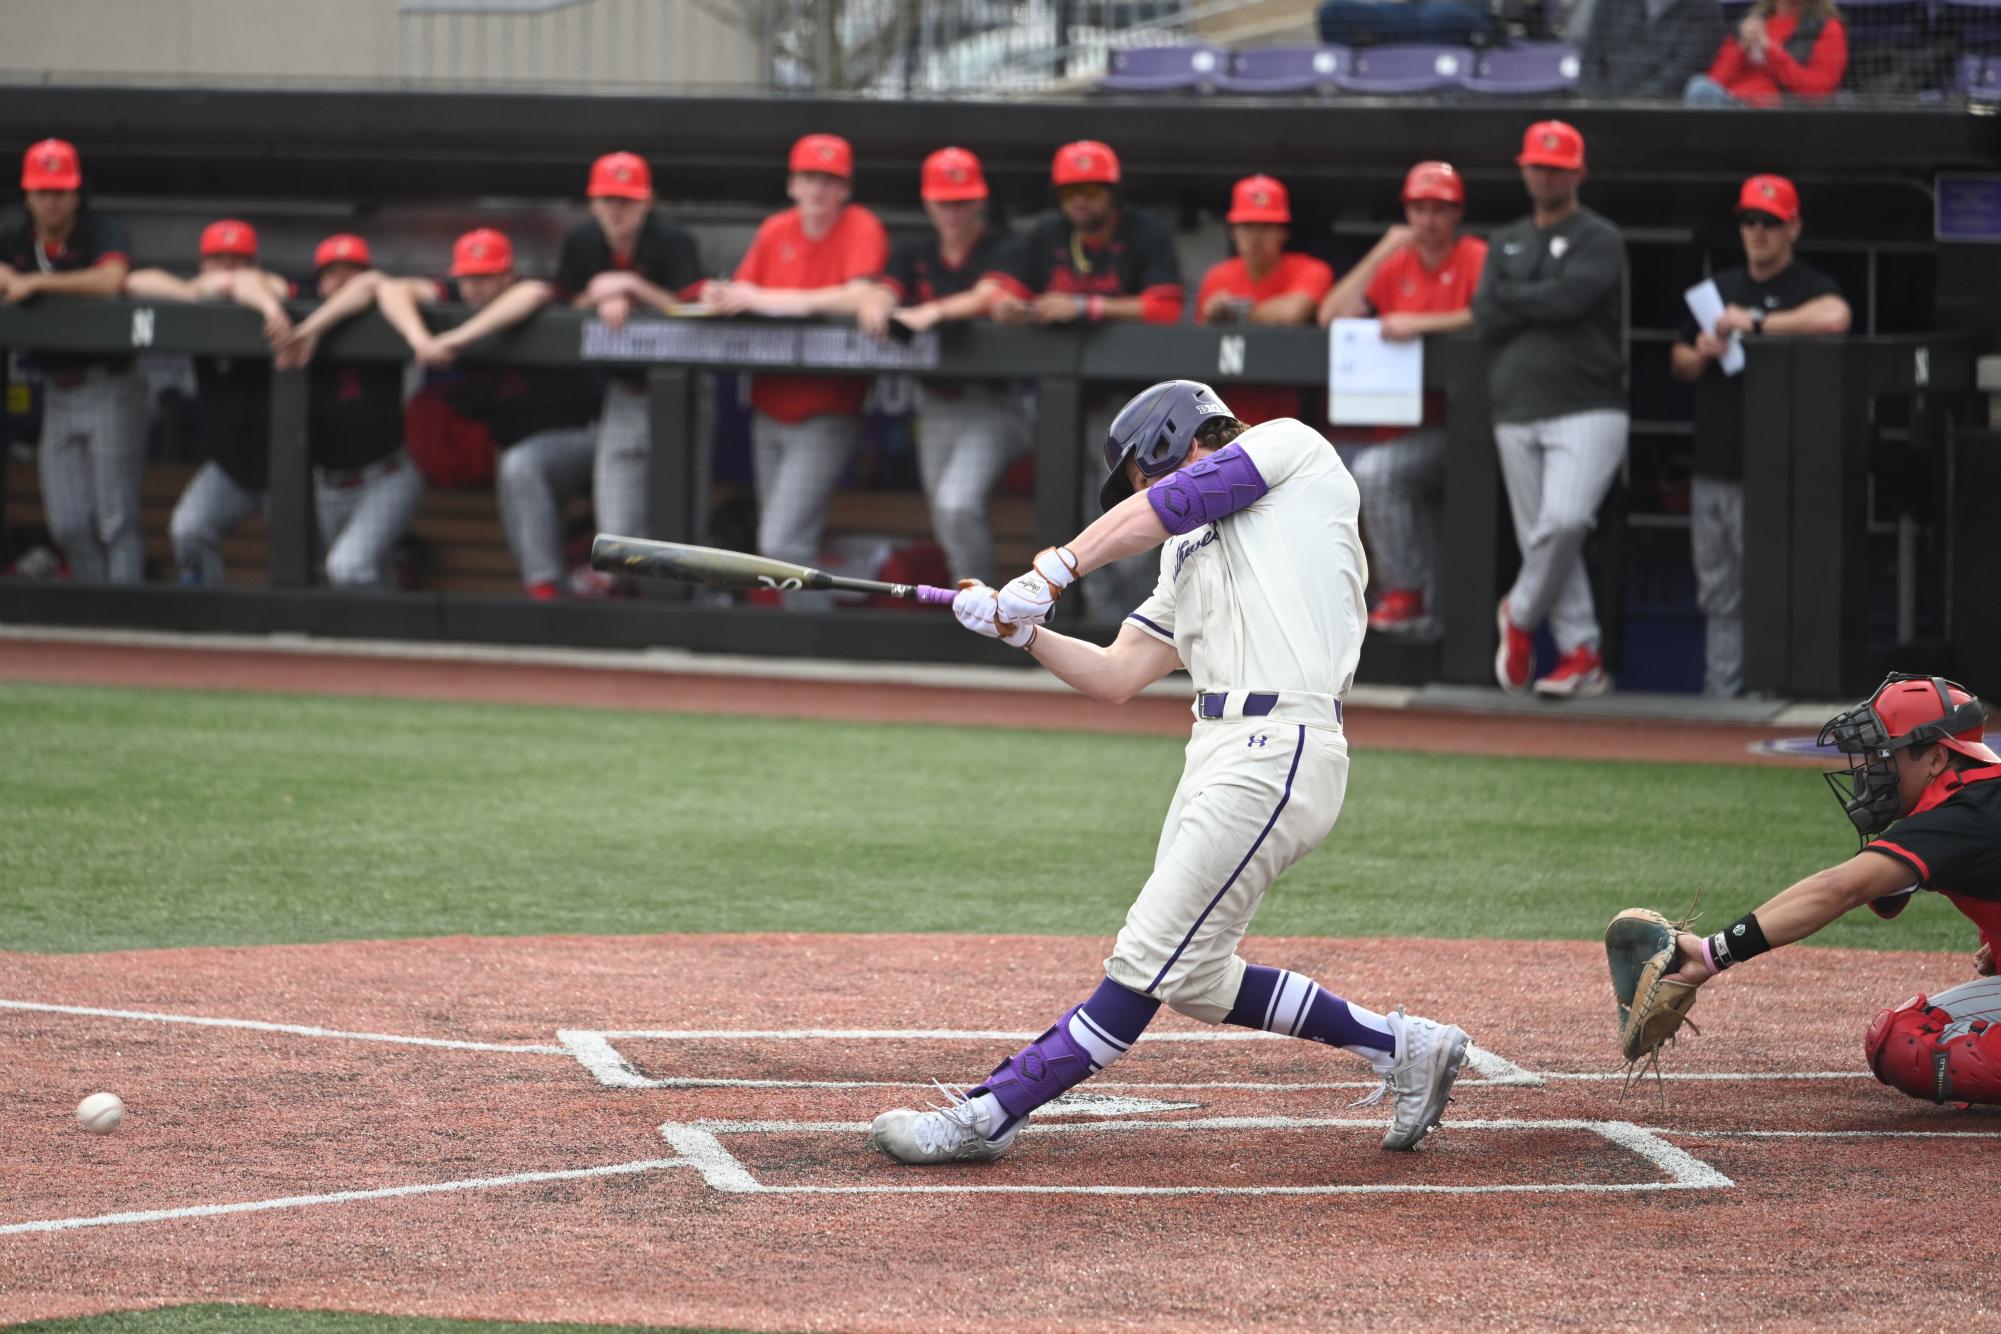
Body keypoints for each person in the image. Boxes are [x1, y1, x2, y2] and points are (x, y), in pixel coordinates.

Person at [867, 379, 1472, 1165]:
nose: (1142, 494)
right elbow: (1117, 673)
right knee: (1192, 974)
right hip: (1215, 747)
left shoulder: (1287, 450)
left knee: (1146, 955)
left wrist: (1052, 570)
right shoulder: (1184, 551)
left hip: (1280, 743)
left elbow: (1168, 505)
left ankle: (990, 1111)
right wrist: (1019, 633)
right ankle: (1403, 1048)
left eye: (1140, 475)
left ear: (1178, 440)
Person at [1664, 674, 2001, 1108]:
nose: (1869, 770)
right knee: (1910, 1028)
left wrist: (1713, 953)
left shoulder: (1967, 813)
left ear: (1936, 757)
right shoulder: (1978, 799)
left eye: (1885, 756)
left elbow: (1838, 888)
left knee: (1908, 1047)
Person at [980, 140, 1184, 625]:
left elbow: (1166, 308)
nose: (1081, 200)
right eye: (1072, 190)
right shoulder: (1048, 234)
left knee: (1132, 522)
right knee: (1076, 520)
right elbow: (1007, 285)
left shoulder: (1145, 232)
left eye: (1092, 189)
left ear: (1112, 192)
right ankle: (1100, 626)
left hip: (1141, 414)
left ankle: (1143, 627)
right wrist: (1007, 302)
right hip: (1066, 411)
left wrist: (1086, 308)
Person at [1670, 174, 1850, 698]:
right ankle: (1721, 694)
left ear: (1792, 227)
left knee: (1765, 588)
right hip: (1714, 462)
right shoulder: (1720, 287)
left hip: (1772, 468)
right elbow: (1677, 361)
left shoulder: (1807, 286)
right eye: (1750, 221)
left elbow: (1837, 317)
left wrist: (1758, 322)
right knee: (1717, 591)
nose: (1758, 232)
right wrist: (1701, 350)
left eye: (1770, 222)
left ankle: (1767, 691)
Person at [1473, 121, 1629, 700]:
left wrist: (1521, 297)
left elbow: (1571, 300)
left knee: (1564, 523)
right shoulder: (1506, 238)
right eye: (1539, 165)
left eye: (1558, 166)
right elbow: (1486, 313)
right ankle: (1582, 652)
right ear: (1524, 168)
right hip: (1515, 406)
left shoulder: (1599, 237)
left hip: (1588, 404)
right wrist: (1530, 297)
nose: (1547, 174)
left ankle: (1520, 611)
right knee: (1545, 536)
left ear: (1578, 173)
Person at [699, 133, 888, 610]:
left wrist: (772, 300)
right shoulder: (775, 229)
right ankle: (807, 645)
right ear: (792, 185)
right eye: (810, 178)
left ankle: (814, 648)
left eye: (830, 180)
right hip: (770, 407)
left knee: (783, 543)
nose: (819, 189)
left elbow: (859, 293)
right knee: (783, 544)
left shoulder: (861, 225)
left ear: (845, 188)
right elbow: (745, 287)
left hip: (826, 410)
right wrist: (720, 296)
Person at [377, 227, 599, 598]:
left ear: (508, 275)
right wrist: (419, 338)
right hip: (521, 447)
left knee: (519, 465)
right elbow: (391, 289)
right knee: (514, 466)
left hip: (586, 438)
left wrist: (460, 336)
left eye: (485, 277)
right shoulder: (460, 300)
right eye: (467, 278)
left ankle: (544, 589)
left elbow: (536, 292)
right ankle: (546, 587)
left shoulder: (527, 294)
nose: (474, 287)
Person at [1320, 161, 1487, 638]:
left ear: (1456, 214)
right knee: (1326, 472)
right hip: (1396, 425)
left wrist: (1420, 325)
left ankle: (1405, 593)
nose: (1429, 220)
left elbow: (1492, 316)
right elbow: (1331, 314)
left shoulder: (1474, 255)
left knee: (1376, 471)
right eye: (1419, 209)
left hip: (1460, 426)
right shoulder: (1396, 261)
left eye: (1440, 209)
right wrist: (1382, 249)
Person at [856, 146, 1025, 584]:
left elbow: (990, 293)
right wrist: (876, 304)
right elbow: (884, 289)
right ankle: (972, 606)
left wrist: (933, 311)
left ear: (979, 201)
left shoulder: (1002, 245)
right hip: (934, 405)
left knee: (957, 504)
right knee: (945, 515)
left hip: (994, 405)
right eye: (944, 201)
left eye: (962, 201)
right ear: (928, 202)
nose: (953, 211)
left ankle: (985, 610)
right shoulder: (917, 250)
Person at [0, 139, 142, 583]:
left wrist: (37, 284)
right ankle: (94, 610)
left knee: (115, 520)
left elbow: (112, 280)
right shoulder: (15, 237)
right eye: (42, 191)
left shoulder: (100, 231)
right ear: (27, 196)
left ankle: (124, 613)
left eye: (60, 191)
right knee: (66, 523)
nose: (51, 200)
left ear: (77, 193)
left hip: (109, 385)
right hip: (57, 393)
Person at [554, 151, 704, 567]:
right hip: (624, 392)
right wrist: (599, 293)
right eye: (608, 200)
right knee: (617, 529)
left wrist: (631, 284)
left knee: (681, 513)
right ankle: (631, 608)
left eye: (627, 200)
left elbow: (692, 307)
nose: (616, 210)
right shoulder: (582, 241)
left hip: (683, 395)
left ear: (647, 201)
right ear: (593, 202)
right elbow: (563, 303)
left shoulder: (673, 240)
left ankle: (688, 614)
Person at [124, 220, 295, 587]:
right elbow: (135, 282)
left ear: (255, 263)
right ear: (203, 264)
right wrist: (192, 293)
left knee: (299, 552)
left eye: (238, 258)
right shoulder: (197, 299)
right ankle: (210, 613)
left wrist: (265, 306)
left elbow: (254, 284)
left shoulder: (274, 289)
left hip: (286, 465)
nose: (228, 267)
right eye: (218, 258)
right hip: (230, 466)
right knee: (188, 528)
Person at [279, 234, 426, 589]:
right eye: (332, 272)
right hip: (326, 482)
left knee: (347, 568)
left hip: (387, 475)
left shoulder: (384, 312)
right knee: (360, 572)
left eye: (351, 270)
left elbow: (374, 284)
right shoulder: (299, 308)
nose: (341, 279)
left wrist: (310, 330)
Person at [1193, 174, 1333, 427]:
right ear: (1233, 232)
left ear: (1284, 232)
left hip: (1296, 419)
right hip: (1228, 420)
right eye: (1247, 226)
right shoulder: (1218, 277)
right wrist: (1213, 318)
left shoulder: (1310, 269)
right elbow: (1197, 353)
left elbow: (1293, 313)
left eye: (1266, 226)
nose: (1256, 236)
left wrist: (1234, 314)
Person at [1685, 0, 1848, 107]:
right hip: (1732, 105)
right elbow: (1716, 81)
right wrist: (1742, 46)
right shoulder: (1751, 22)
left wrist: (1770, 50)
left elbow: (1819, 93)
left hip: (1779, 116)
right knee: (1700, 87)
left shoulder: (1828, 28)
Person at [1575, 0, 1725, 101]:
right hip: (1601, 110)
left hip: (1666, 115)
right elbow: (1591, 57)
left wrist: (1629, 105)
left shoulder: (1703, 8)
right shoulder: (1610, 3)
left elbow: (1684, 71)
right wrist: (1597, 101)